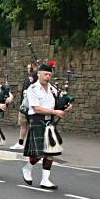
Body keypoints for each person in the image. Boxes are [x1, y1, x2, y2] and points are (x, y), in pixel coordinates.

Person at [22, 61, 73, 189]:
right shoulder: (32, 89)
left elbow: (58, 104)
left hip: (49, 121)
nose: (48, 77)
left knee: (50, 151)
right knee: (39, 153)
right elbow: (37, 108)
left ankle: (45, 180)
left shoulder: (53, 89)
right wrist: (55, 111)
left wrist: (66, 107)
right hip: (37, 120)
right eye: (45, 74)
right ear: (39, 74)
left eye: (49, 75)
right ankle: (27, 168)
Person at [10, 64, 38, 150]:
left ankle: (33, 144)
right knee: (23, 125)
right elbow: (23, 93)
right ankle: (20, 143)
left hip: (33, 108)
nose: (29, 70)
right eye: (28, 68)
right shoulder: (27, 80)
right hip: (24, 107)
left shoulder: (38, 83)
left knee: (33, 127)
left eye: (30, 68)